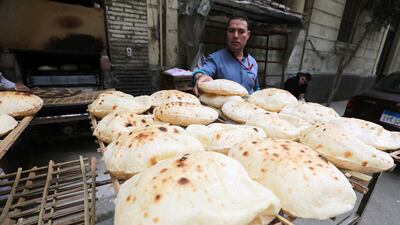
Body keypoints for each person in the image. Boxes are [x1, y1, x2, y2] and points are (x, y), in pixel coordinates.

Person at [193, 14, 259, 96]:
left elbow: (256, 88)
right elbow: (202, 72)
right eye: (231, 31)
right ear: (227, 33)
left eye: (241, 31)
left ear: (248, 35)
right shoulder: (215, 59)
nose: (235, 35)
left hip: (248, 108)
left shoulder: (253, 62)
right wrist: (201, 77)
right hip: (223, 107)